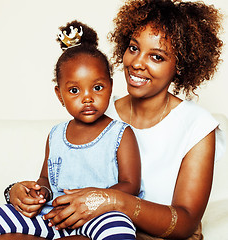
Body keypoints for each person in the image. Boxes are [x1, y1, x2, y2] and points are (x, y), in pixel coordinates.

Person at [40, 0, 226, 239]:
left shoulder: (197, 125)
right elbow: (56, 176)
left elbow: (186, 222)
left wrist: (113, 200)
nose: (137, 63)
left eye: (156, 57)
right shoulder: (98, 109)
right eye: (134, 48)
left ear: (180, 65)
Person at [0, 20, 142, 240]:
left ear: (110, 86)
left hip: (98, 216)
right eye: (74, 90)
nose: (88, 97)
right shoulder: (56, 135)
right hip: (54, 218)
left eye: (97, 87)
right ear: (59, 95)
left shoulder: (120, 133)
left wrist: (94, 199)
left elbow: (131, 185)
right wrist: (40, 193)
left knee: (118, 226)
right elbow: (45, 178)